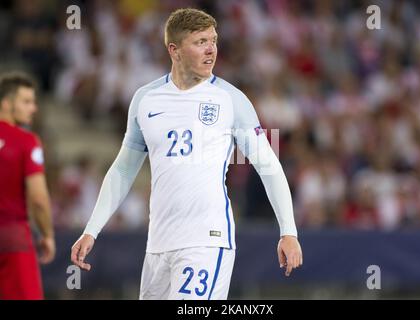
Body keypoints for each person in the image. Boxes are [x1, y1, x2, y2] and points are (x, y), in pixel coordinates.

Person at [71, 8, 302, 300]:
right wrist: (91, 230)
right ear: (174, 50)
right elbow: (124, 170)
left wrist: (288, 231)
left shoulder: (231, 99)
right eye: (201, 42)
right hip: (158, 244)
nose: (211, 50)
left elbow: (269, 165)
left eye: (214, 41)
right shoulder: (145, 99)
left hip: (206, 240)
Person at [0, 72, 55, 299]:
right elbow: (39, 199)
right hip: (12, 238)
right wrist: (47, 234)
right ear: (5, 103)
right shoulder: (26, 142)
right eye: (26, 101)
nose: (33, 108)